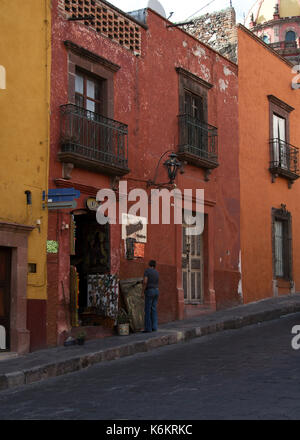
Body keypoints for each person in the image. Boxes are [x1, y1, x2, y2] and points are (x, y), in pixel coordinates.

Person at [142, 260, 159, 333]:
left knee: (148, 310)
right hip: (156, 291)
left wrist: (142, 291)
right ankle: (154, 327)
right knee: (154, 309)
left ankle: (148, 328)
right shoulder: (157, 272)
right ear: (155, 265)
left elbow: (145, 281)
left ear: (149, 264)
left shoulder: (147, 271)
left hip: (150, 291)